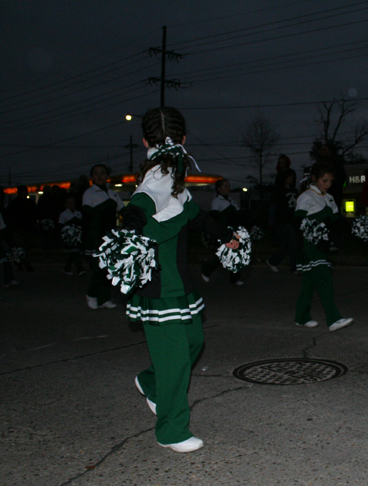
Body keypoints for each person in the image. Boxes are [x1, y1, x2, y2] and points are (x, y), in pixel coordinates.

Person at [123, 106, 239, 452]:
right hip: (159, 284)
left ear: (144, 139)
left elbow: (196, 216)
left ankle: (149, 381)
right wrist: (128, 230)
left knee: (193, 340)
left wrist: (224, 235)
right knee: (175, 360)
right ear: (184, 139)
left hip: (178, 283)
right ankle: (171, 430)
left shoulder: (173, 176)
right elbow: (141, 203)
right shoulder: (159, 174)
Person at [294, 162, 354, 332]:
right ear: (314, 179)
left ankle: (301, 316)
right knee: (324, 276)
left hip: (322, 245)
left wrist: (353, 228)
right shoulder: (306, 196)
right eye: (324, 180)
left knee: (310, 282)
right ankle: (333, 318)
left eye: (330, 181)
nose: (328, 185)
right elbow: (298, 222)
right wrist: (299, 250)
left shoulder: (328, 198)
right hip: (309, 245)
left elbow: (336, 223)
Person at [82, 163, 123, 309]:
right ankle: (92, 294)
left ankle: (104, 298)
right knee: (98, 268)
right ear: (92, 177)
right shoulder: (89, 193)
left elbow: (122, 210)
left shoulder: (113, 193)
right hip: (95, 236)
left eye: (102, 173)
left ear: (107, 176)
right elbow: (87, 214)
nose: (99, 176)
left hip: (110, 236)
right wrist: (106, 204)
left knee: (109, 269)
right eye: (96, 173)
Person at [200, 179, 245, 285]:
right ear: (219, 189)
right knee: (224, 254)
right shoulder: (217, 201)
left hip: (233, 231)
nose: (228, 188)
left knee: (235, 254)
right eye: (225, 186)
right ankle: (206, 270)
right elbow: (214, 216)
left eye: (228, 186)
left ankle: (235, 278)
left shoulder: (231, 200)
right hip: (224, 232)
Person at [267, 167, 298, 272]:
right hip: (282, 220)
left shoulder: (294, 190)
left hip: (292, 220)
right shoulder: (279, 190)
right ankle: (295, 267)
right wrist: (271, 222)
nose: (291, 179)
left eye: (292, 177)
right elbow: (273, 206)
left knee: (286, 244)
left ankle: (272, 261)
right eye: (289, 177)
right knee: (292, 242)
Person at [4, 185, 36, 272]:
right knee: (22, 247)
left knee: (26, 247)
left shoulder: (28, 203)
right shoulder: (15, 203)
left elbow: (35, 214)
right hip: (19, 228)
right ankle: (25, 263)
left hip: (27, 227)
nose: (25, 193)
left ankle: (21, 262)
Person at [59, 196, 85, 276]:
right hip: (69, 237)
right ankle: (80, 269)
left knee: (73, 252)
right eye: (69, 203)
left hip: (77, 236)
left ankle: (66, 268)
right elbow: (61, 226)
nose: (72, 204)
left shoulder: (78, 213)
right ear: (66, 204)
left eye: (73, 202)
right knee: (74, 252)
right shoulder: (63, 214)